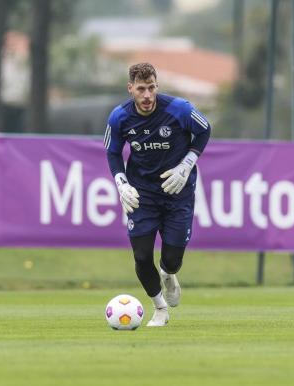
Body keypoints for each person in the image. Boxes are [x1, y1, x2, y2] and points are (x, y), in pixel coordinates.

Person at [104, 62, 211, 327]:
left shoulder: (179, 109)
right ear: (131, 89)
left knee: (172, 260)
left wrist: (187, 165)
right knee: (141, 256)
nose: (147, 95)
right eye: (141, 89)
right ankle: (160, 309)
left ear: (157, 85)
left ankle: (168, 274)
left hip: (177, 191)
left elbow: (204, 130)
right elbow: (113, 151)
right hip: (142, 194)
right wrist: (121, 184)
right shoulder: (119, 117)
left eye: (151, 88)